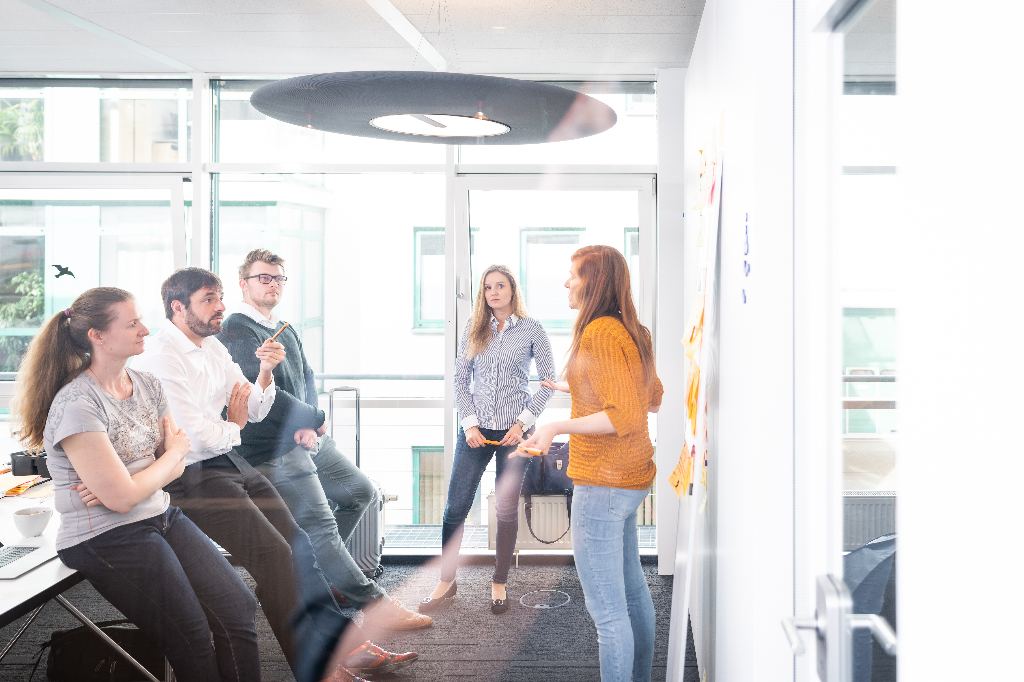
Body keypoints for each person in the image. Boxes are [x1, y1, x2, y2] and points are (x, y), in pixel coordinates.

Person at [130, 267, 416, 682]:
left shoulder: (211, 348)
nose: (221, 306)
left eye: (220, 296)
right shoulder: (162, 355)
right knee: (277, 558)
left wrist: (262, 377)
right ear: (178, 307)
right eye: (209, 299)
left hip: (226, 461)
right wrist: (237, 424)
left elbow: (254, 405)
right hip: (187, 475)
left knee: (300, 548)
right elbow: (195, 437)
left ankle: (345, 646)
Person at [12, 287, 261, 682]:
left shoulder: (148, 384)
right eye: (132, 323)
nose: (146, 329)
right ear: (97, 335)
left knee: (238, 607)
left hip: (160, 514)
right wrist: (159, 463)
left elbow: (172, 466)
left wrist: (136, 478)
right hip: (104, 536)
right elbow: (128, 494)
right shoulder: (78, 403)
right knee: (192, 636)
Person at [217, 249, 431, 631]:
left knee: (360, 492)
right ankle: (373, 602)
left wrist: (312, 422)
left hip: (305, 436)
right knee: (319, 524)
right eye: (263, 278)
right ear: (243, 283)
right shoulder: (237, 328)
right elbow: (260, 393)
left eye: (278, 278)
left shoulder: (283, 325)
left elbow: (307, 377)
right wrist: (311, 419)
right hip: (273, 447)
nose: (272, 284)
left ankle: (329, 576)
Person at [516, 245, 663, 682]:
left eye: (574, 276)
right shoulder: (633, 330)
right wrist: (575, 386)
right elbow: (651, 398)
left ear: (594, 282)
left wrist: (556, 426)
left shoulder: (599, 333)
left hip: (603, 483)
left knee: (608, 614)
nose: (566, 283)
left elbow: (627, 414)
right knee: (633, 591)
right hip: (631, 479)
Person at [419, 264, 555, 615]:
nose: (493, 292)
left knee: (506, 509)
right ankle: (446, 580)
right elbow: (460, 380)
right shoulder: (473, 328)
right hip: (475, 432)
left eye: (500, 285)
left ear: (512, 290)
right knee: (455, 507)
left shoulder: (531, 330)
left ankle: (499, 581)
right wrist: (469, 424)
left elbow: (548, 382)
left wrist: (523, 422)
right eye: (487, 287)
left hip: (515, 434)